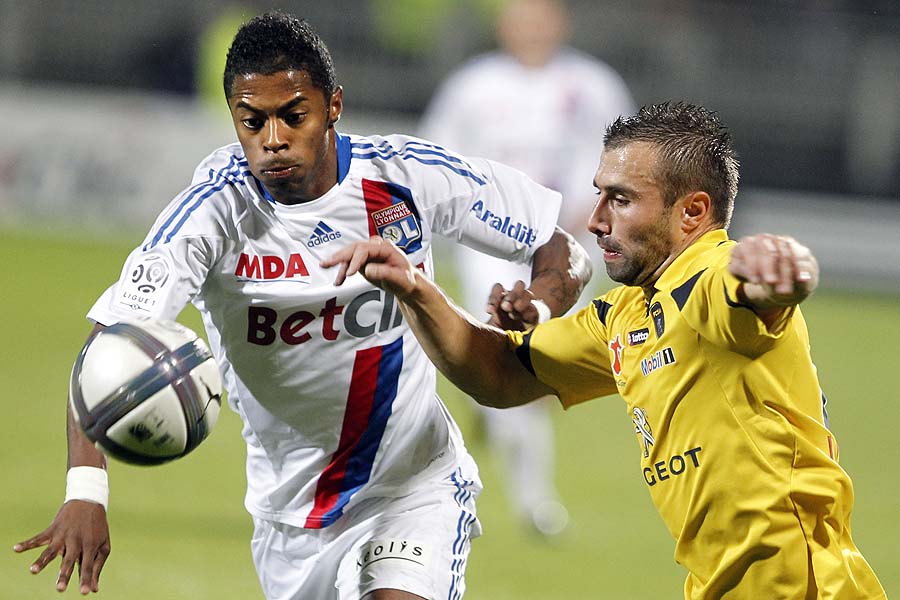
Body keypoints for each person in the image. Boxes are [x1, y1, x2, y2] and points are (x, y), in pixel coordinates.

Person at [13, 12, 591, 600]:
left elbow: (561, 246)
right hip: (289, 515)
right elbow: (110, 342)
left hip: (414, 486)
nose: (273, 139)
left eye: (294, 116)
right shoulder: (213, 213)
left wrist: (539, 308)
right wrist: (85, 490)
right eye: (252, 121)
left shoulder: (406, 177)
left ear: (332, 106)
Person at [324, 102, 887, 598]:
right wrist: (415, 287)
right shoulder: (623, 315)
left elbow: (757, 293)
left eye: (619, 200)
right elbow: (496, 372)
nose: (594, 220)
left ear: (692, 212)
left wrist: (786, 271)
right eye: (599, 196)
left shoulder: (710, 275)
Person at [419, 0, 634, 536]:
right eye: (520, 16)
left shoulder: (593, 85)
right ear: (503, 25)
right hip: (487, 248)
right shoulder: (473, 86)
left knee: (538, 371)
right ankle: (530, 500)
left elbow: (628, 155)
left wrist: (610, 206)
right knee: (516, 350)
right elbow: (435, 158)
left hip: (566, 249)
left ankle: (494, 407)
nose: (531, 28)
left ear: (559, 22)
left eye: (540, 16)